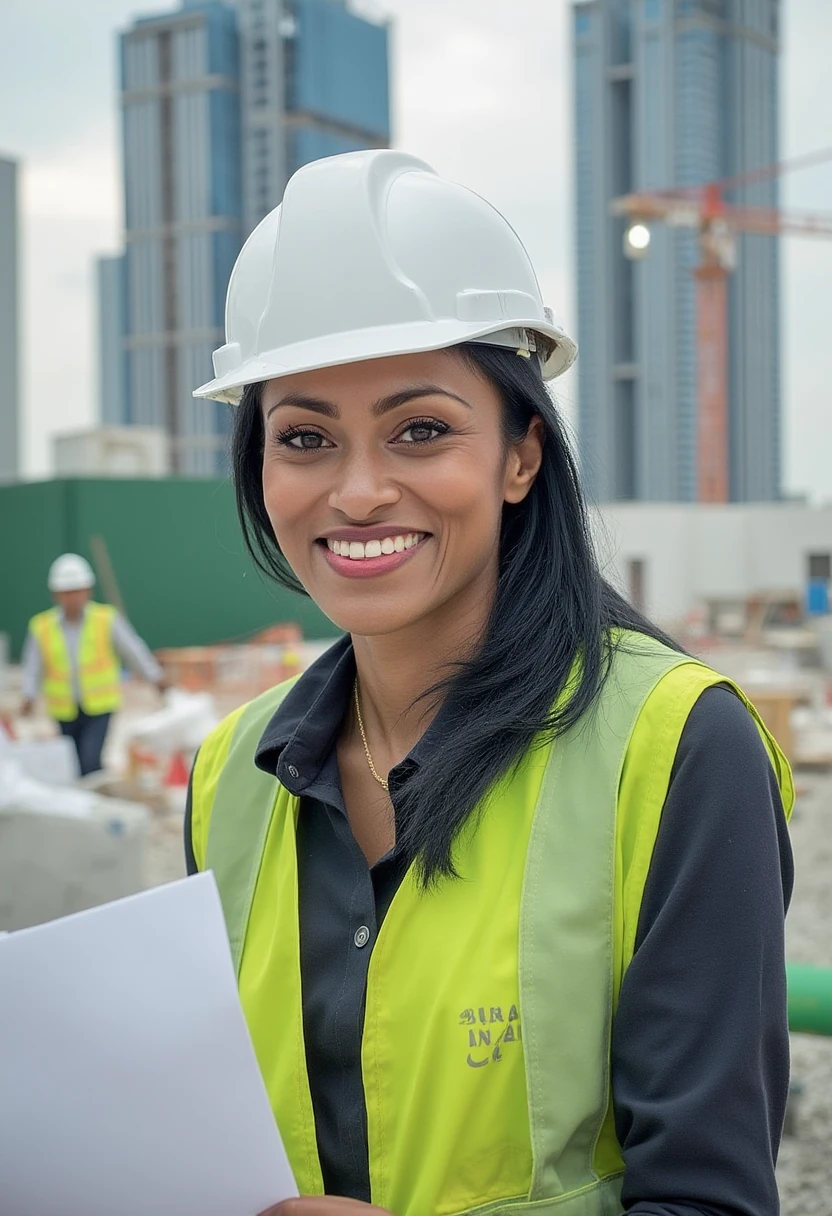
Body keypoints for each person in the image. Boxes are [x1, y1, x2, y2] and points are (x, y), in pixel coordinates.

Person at [186, 151, 793, 1216]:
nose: (359, 490)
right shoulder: (228, 776)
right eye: (305, 437)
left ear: (520, 455)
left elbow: (708, 1197)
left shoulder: (675, 749)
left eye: (421, 429)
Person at [20, 553, 167, 776]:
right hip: (64, 709)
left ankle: (94, 798)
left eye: (77, 590)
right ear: (56, 594)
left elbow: (133, 650)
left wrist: (155, 677)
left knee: (91, 760)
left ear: (88, 590)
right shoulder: (42, 626)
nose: (73, 598)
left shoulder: (105, 619)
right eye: (67, 592)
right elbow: (33, 665)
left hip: (100, 707)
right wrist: (28, 694)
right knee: (73, 764)